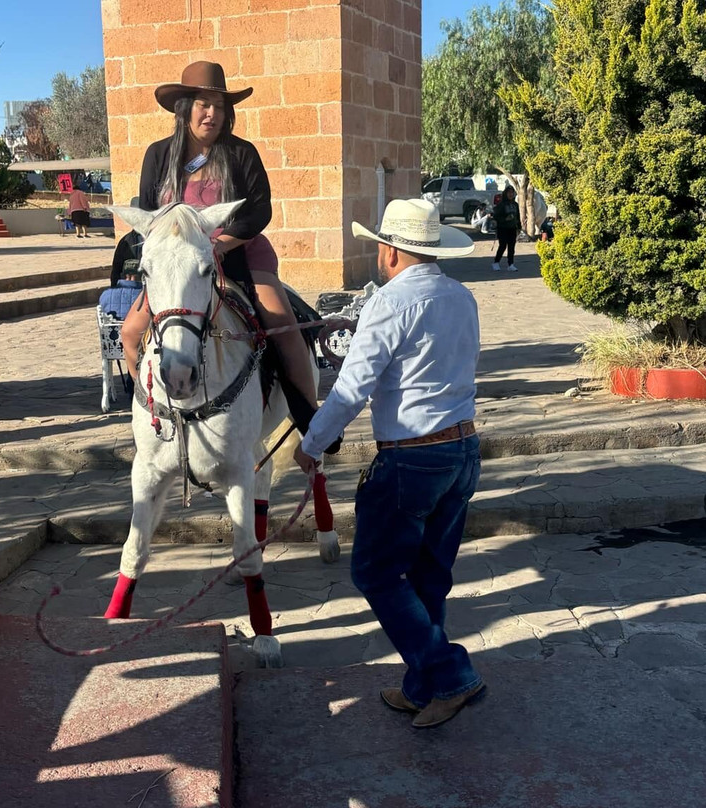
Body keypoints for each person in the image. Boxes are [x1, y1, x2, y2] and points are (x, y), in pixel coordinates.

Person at [293, 198, 485, 730]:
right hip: (463, 448)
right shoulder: (462, 297)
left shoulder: (388, 303)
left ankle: (449, 676)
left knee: (375, 571)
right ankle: (423, 687)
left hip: (413, 458)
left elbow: (353, 388)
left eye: (380, 245)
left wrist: (312, 445)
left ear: (392, 251)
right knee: (429, 576)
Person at [122, 61, 322, 435]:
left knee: (281, 325)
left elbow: (259, 211)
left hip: (240, 254)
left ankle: (311, 420)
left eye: (218, 105)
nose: (212, 113)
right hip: (181, 267)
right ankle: (155, 412)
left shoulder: (241, 153)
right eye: (203, 104)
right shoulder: (158, 155)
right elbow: (150, 214)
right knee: (131, 333)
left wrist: (219, 245)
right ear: (185, 109)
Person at [492, 186, 520, 271]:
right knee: (503, 246)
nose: (511, 194)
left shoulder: (515, 205)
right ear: (505, 194)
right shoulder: (501, 204)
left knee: (511, 247)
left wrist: (519, 227)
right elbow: (496, 216)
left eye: (512, 193)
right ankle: (496, 262)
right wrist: (505, 219)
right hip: (502, 228)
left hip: (512, 228)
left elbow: (517, 217)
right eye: (509, 193)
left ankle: (510, 264)